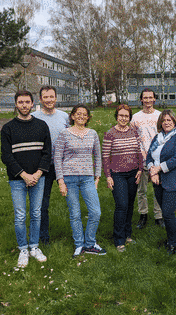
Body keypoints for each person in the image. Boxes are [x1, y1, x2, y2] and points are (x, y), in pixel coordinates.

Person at [1, 90, 51, 268]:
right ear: (16, 104)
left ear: (32, 104)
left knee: (36, 213)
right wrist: (24, 175)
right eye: (20, 102)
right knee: (20, 215)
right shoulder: (8, 128)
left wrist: (37, 174)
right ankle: (23, 248)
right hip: (17, 179)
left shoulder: (42, 126)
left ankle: (34, 247)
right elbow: (6, 156)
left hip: (39, 178)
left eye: (27, 102)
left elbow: (47, 153)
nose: (24, 105)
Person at [54, 104, 106, 258]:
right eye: (78, 113)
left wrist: (97, 178)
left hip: (87, 178)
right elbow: (57, 158)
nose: (81, 116)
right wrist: (60, 181)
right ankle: (79, 245)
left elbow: (97, 156)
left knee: (95, 212)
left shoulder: (93, 134)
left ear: (88, 117)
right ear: (72, 116)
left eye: (84, 114)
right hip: (69, 178)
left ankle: (90, 243)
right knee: (75, 213)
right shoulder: (64, 134)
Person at [146, 110, 176, 255]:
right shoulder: (157, 138)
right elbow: (148, 157)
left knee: (168, 212)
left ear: (175, 122)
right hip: (158, 181)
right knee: (165, 214)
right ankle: (169, 239)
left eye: (169, 120)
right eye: (164, 120)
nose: (166, 122)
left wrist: (158, 168)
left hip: (175, 180)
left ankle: (172, 244)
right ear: (160, 123)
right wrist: (152, 170)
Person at [102, 104, 143, 252]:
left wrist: (140, 169)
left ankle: (128, 234)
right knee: (122, 205)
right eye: (121, 116)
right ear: (116, 116)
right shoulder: (110, 133)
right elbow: (105, 156)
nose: (123, 118)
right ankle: (119, 239)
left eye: (126, 116)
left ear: (129, 118)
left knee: (130, 204)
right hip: (117, 174)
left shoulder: (134, 131)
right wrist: (108, 176)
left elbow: (139, 152)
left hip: (133, 173)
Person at [32, 85, 70, 244]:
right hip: (43, 166)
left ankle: (78, 236)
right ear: (40, 99)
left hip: (63, 165)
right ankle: (43, 236)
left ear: (56, 98)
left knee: (73, 200)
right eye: (45, 97)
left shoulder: (64, 116)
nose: (48, 100)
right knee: (42, 204)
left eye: (51, 97)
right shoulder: (34, 117)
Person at [130, 89, 164, 228]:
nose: (148, 100)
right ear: (141, 100)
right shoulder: (136, 118)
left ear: (154, 99)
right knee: (142, 190)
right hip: (141, 159)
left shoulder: (160, 115)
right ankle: (143, 215)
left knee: (158, 189)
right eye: (145, 98)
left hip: (157, 160)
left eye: (151, 97)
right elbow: (132, 137)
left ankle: (159, 216)